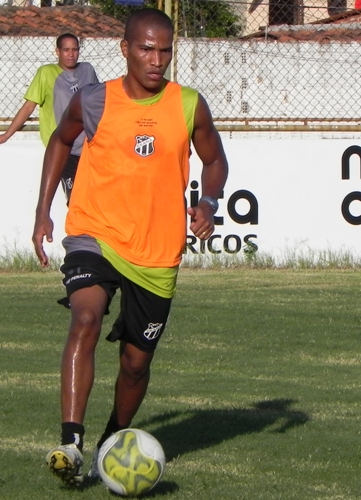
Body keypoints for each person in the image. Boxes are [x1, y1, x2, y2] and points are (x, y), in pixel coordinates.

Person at [31, 8, 229, 487]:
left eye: (165, 50)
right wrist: (42, 210)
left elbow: (215, 158)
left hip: (156, 252)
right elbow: (60, 141)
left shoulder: (188, 105)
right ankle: (71, 444)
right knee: (85, 316)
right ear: (125, 49)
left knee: (136, 364)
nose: (156, 59)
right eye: (146, 48)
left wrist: (206, 198)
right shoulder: (94, 99)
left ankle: (112, 441)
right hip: (94, 232)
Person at [0, 33, 98, 202]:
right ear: (57, 51)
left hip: (89, 146)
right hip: (64, 147)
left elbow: (96, 103)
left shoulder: (87, 70)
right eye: (66, 50)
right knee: (76, 200)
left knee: (96, 198)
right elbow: (28, 106)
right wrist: (7, 134)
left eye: (75, 50)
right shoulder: (46, 73)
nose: (71, 54)